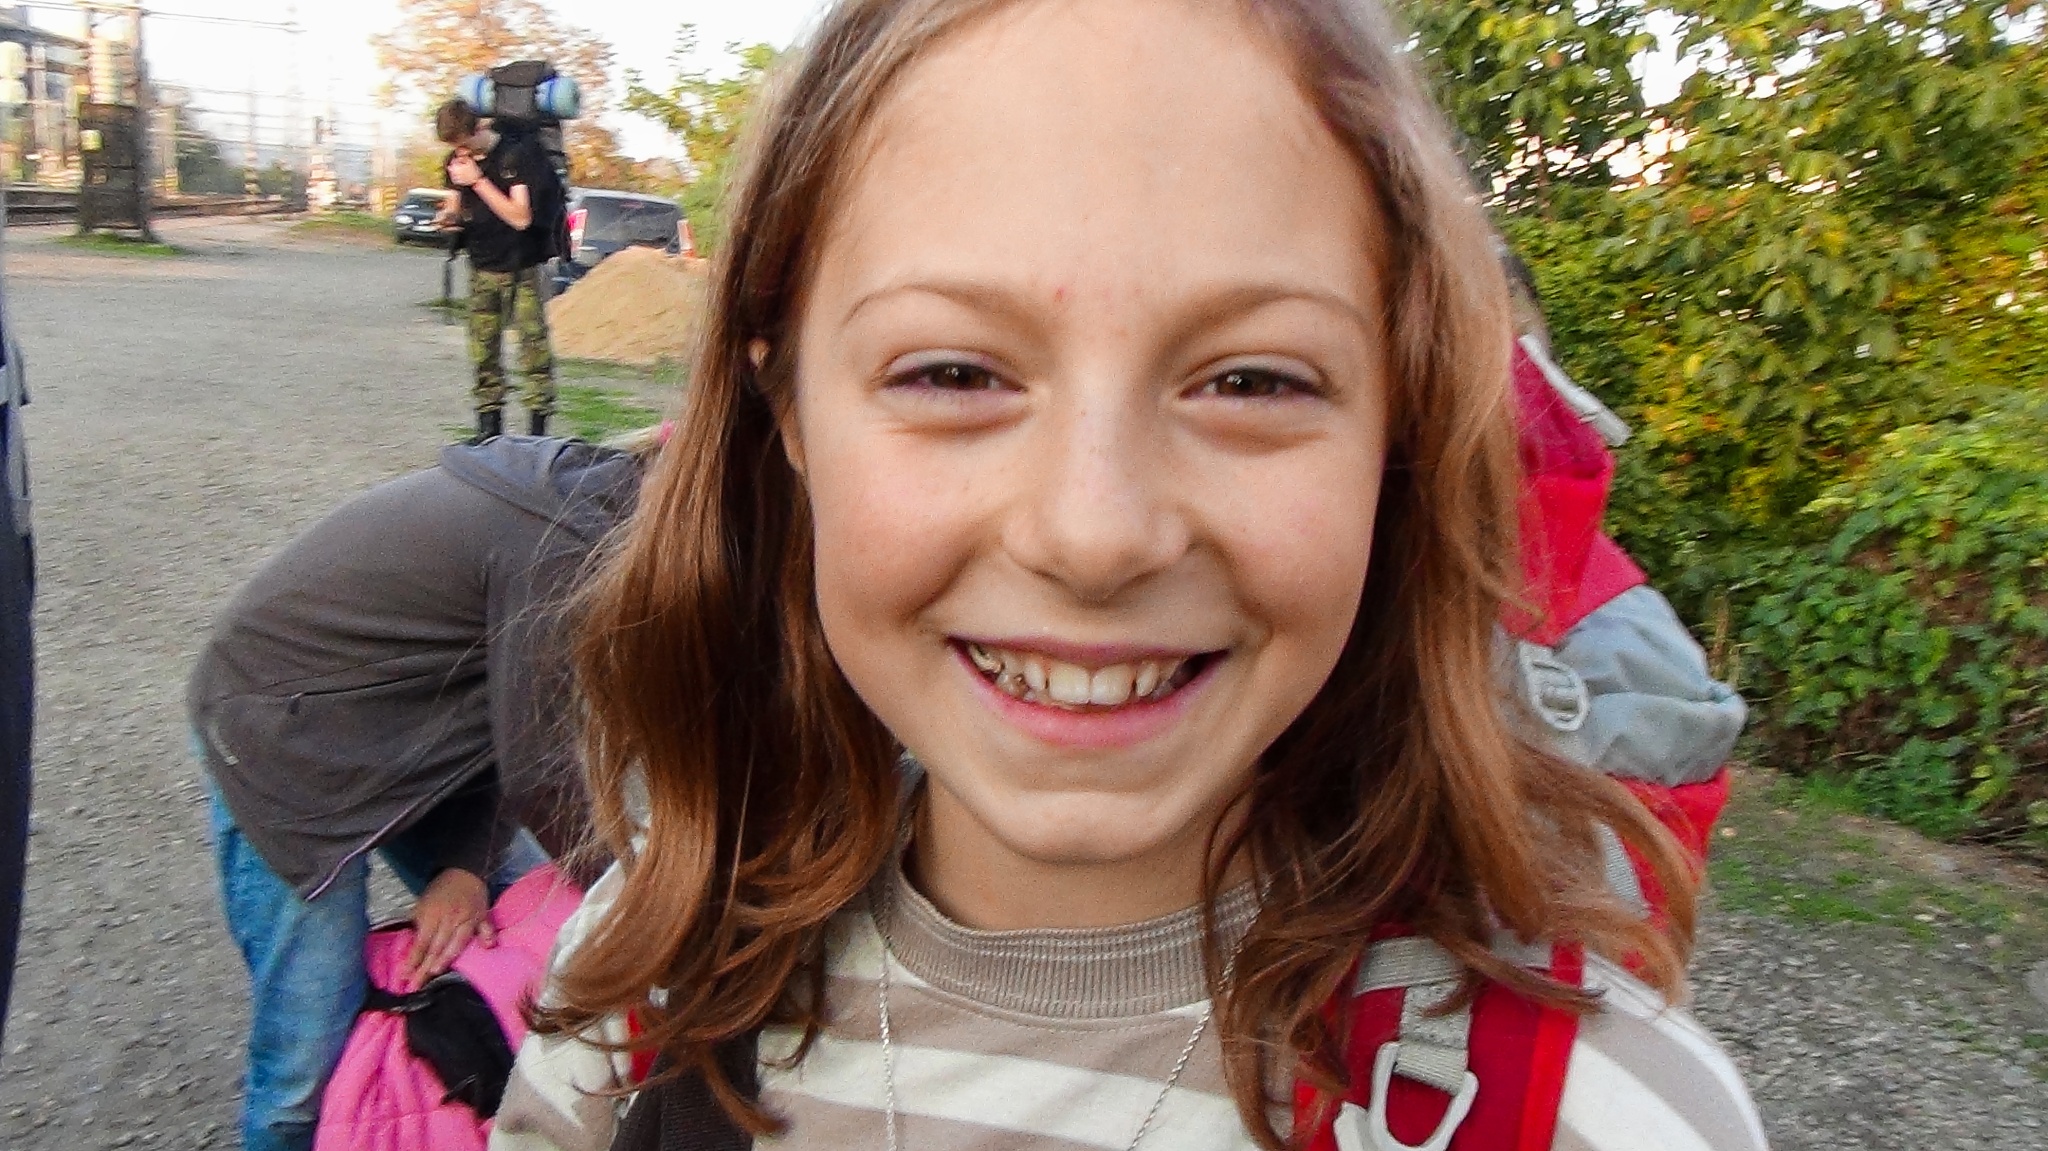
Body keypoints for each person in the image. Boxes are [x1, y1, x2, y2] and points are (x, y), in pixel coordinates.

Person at [495, 2, 1771, 1150]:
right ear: (786, 406)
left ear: (1397, 428)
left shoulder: (1588, 1116)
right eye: (951, 372)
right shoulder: (642, 976)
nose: (1094, 534)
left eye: (1251, 380)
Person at [190, 434, 642, 1151]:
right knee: (305, 1063)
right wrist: (644, 901)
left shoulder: (609, 513)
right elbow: (540, 770)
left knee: (536, 919)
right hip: (284, 744)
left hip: (410, 732)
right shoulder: (565, 542)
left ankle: (450, 1106)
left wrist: (464, 866)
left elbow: (510, 716)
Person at [435, 99, 556, 442]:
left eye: (464, 144)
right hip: (482, 268)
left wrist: (478, 182)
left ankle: (536, 437)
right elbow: (454, 206)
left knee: (534, 353)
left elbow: (521, 217)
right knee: (483, 354)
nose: (461, 153)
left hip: (522, 268)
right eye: (455, 148)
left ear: (479, 128)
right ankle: (489, 433)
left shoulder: (515, 155)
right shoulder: (456, 161)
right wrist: (448, 218)